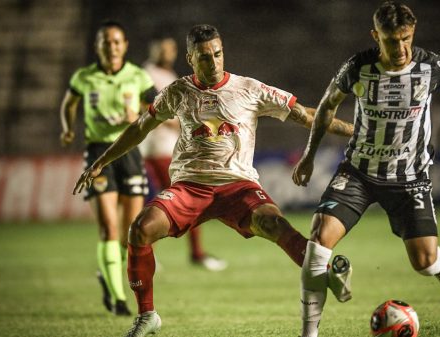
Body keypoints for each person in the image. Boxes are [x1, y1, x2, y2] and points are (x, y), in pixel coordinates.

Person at [73, 24, 354, 337]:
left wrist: (353, 131)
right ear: (191, 59)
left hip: (238, 186)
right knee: (140, 230)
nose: (214, 62)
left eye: (218, 54)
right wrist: (101, 161)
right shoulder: (178, 91)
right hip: (189, 187)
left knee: (277, 225)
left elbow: (306, 116)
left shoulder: (249, 89)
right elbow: (140, 127)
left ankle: (329, 271)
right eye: (205, 57)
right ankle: (147, 316)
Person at [292, 2, 440, 337]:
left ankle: (439, 265)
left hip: (410, 178)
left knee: (423, 263)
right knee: (317, 244)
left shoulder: (429, 65)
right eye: (391, 40)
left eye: (406, 38)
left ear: (413, 33)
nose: (400, 48)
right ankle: (309, 334)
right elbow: (326, 106)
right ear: (375, 36)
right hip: (358, 173)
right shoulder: (358, 67)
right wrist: (309, 155)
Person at [60, 20, 157, 316]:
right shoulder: (84, 77)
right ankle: (118, 299)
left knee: (132, 232)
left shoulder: (138, 76)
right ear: (98, 46)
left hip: (128, 152)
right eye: (106, 42)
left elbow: (160, 109)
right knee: (108, 228)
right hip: (98, 153)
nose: (112, 47)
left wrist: (138, 113)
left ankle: (108, 274)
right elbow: (69, 103)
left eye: (117, 42)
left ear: (125, 45)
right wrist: (67, 129)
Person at [140, 37, 227, 271]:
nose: (167, 52)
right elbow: (147, 107)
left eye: (171, 48)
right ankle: (189, 254)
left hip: (171, 148)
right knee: (185, 200)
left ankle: (159, 252)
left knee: (170, 201)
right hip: (158, 148)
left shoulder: (167, 75)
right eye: (163, 47)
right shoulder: (148, 74)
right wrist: (179, 123)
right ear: (154, 48)